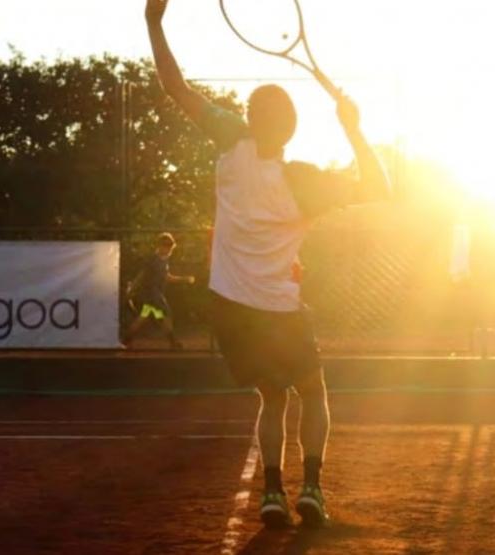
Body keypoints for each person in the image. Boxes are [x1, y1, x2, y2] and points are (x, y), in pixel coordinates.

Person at [144, 0, 391, 528]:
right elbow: (380, 187)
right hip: (279, 309)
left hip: (231, 309)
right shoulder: (304, 180)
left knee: (273, 399)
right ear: (292, 128)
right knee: (314, 392)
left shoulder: (231, 140)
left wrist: (153, 22)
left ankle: (274, 493)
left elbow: (176, 87)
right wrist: (353, 128)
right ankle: (312, 488)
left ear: (249, 118)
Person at [123, 232, 196, 350]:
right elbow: (141, 275)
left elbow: (167, 277)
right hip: (153, 294)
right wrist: (132, 289)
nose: (168, 249)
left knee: (144, 316)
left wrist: (184, 279)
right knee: (166, 314)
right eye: (166, 246)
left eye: (170, 246)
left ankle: (126, 339)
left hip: (155, 294)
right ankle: (173, 342)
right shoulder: (153, 259)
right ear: (160, 246)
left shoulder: (164, 260)